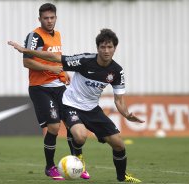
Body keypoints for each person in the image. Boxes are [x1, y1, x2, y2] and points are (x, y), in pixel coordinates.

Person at [8, 28, 145, 183]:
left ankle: (122, 177)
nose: (106, 51)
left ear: (115, 48)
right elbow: (55, 57)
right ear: (97, 48)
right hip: (70, 105)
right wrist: (25, 50)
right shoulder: (84, 60)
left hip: (92, 109)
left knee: (119, 144)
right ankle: (78, 156)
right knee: (80, 136)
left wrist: (127, 114)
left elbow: (119, 101)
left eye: (110, 47)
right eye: (103, 47)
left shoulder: (117, 71)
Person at [22, 3, 90, 180]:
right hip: (40, 89)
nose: (49, 21)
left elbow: (55, 59)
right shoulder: (35, 36)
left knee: (72, 124)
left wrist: (62, 71)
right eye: (46, 18)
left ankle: (78, 163)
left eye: (52, 17)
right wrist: (49, 68)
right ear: (40, 19)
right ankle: (50, 167)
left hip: (59, 87)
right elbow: (27, 62)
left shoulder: (57, 35)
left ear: (56, 18)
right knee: (53, 126)